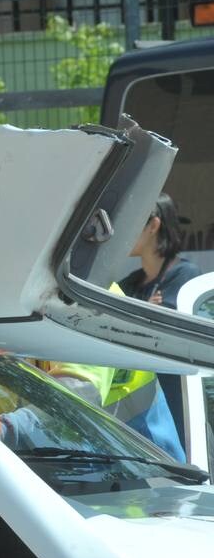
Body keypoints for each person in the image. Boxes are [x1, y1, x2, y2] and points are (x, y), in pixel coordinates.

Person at [119, 192, 200, 449]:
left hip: (177, 405)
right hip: (137, 409)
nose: (124, 231)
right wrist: (144, 310)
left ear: (153, 225)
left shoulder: (186, 276)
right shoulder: (129, 283)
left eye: (133, 222)